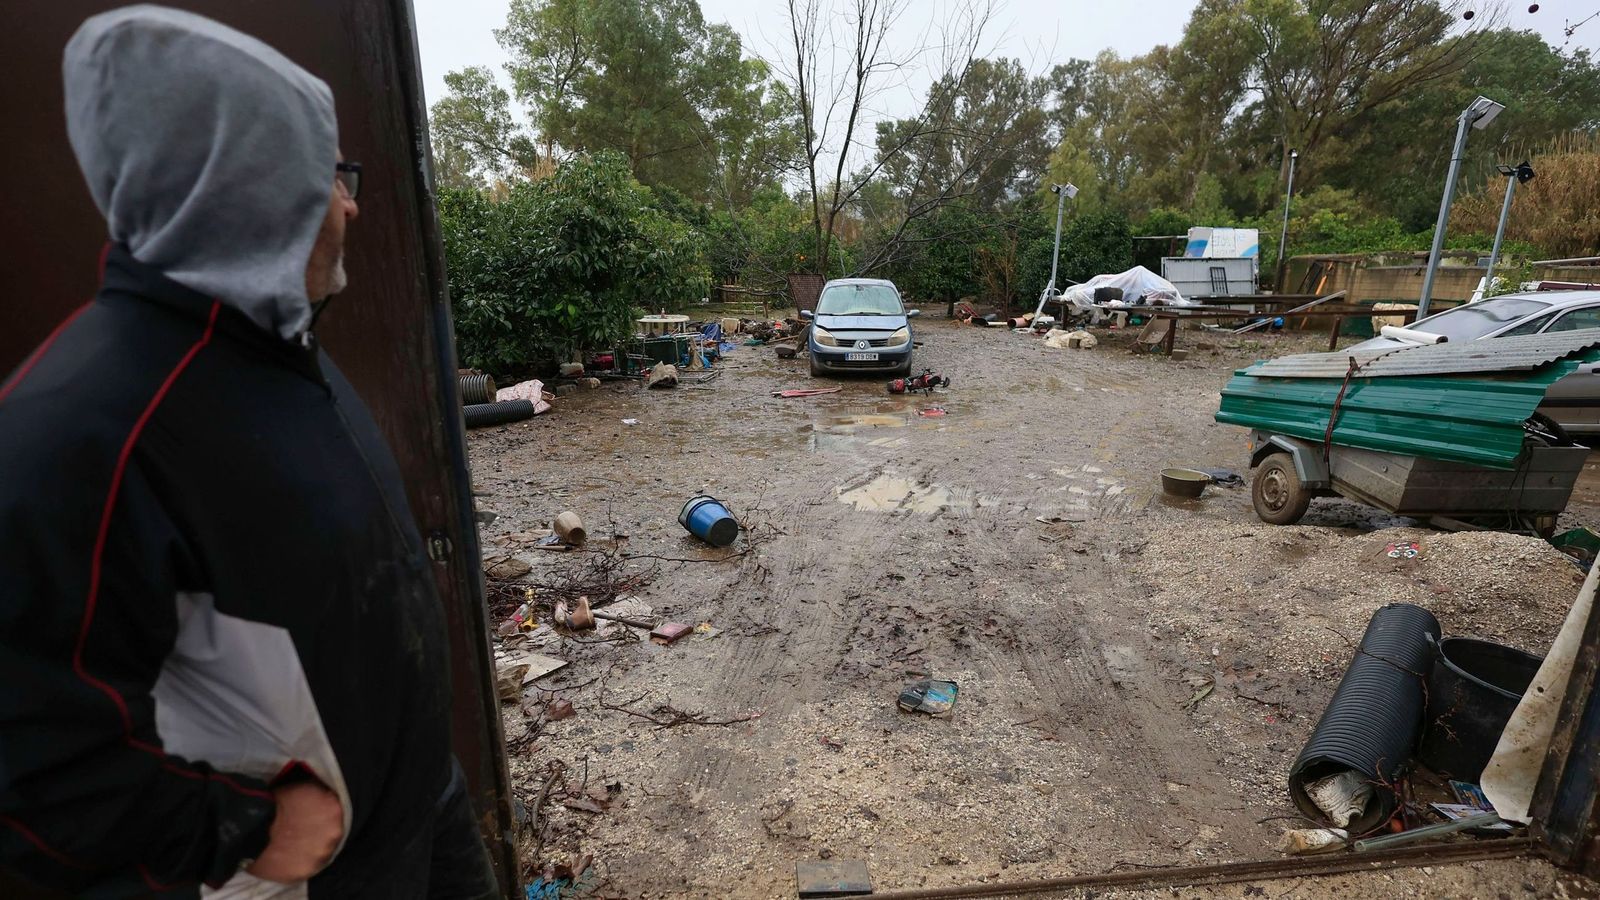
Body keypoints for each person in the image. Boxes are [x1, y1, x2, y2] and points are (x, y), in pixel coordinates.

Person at [0, 6, 497, 898]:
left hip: (423, 821)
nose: (354, 203)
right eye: (333, 176)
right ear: (258, 189)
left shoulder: (282, 352)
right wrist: (245, 826)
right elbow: (28, 757)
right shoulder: (79, 428)